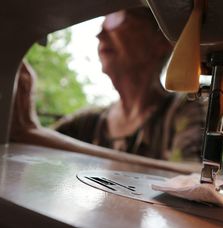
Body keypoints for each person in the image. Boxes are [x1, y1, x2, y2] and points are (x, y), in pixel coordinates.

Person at [11, 7, 205, 173]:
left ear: (162, 42)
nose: (100, 34)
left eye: (116, 19)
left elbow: (194, 175)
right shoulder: (90, 122)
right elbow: (29, 142)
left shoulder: (183, 109)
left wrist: (34, 134)